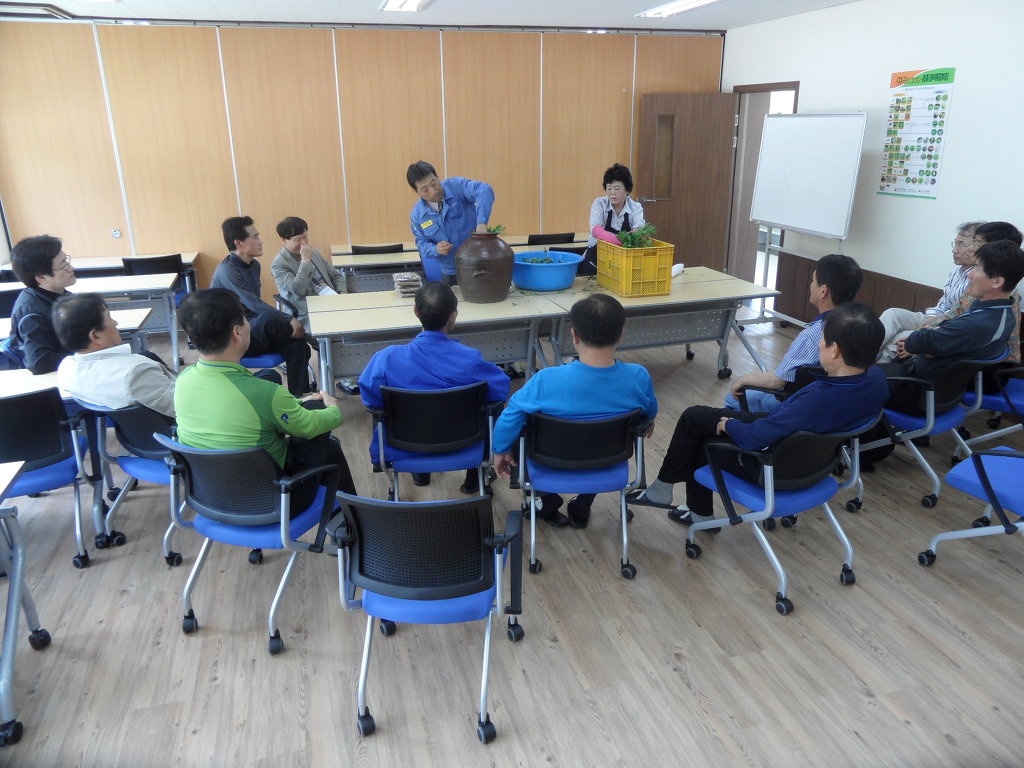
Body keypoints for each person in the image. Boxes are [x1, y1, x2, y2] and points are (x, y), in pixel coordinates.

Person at [627, 303, 888, 527]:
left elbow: (755, 438)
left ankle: (692, 509)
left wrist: (730, 426)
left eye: (823, 339)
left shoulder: (817, 399)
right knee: (694, 416)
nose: (819, 343)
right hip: (816, 461)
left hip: (774, 465)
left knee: (704, 441)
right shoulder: (876, 381)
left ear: (835, 351)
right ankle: (666, 490)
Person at [174, 289, 356, 513]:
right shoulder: (265, 393)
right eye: (246, 319)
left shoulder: (183, 380)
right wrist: (332, 407)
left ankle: (350, 521)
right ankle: (353, 522)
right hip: (271, 500)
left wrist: (296, 403)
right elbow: (309, 426)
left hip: (209, 496)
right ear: (237, 332)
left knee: (327, 446)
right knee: (318, 414)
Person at [492, 293, 657, 529]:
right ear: (621, 334)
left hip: (551, 459)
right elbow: (649, 412)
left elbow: (510, 416)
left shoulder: (546, 380)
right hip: (606, 460)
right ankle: (582, 505)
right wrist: (649, 420)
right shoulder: (638, 376)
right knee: (600, 437)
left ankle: (546, 498)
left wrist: (500, 450)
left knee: (519, 429)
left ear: (574, 335)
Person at [358, 281, 510, 493]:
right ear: (453, 316)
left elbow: (371, 399)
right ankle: (475, 478)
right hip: (464, 443)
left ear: (415, 312)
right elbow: (500, 391)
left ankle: (421, 472)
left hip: (403, 445)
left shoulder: (385, 359)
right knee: (493, 408)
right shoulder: (469, 359)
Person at [881, 239, 1024, 414]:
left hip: (916, 392)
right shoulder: (1004, 314)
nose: (970, 275)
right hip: (940, 392)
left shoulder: (978, 323)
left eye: (977, 268)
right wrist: (929, 344)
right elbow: (932, 341)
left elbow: (920, 341)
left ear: (996, 282)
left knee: (857, 379)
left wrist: (926, 343)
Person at [726, 252, 863, 413]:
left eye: (813, 281)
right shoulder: (862, 326)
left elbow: (776, 382)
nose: (811, 285)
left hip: (796, 404)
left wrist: (742, 379)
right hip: (836, 401)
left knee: (732, 398)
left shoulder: (813, 335)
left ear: (823, 291)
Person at [878, 221, 1022, 352]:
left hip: (948, 340)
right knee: (893, 315)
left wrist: (922, 338)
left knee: (898, 340)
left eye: (977, 243)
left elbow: (959, 330)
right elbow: (952, 314)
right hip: (943, 329)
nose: (971, 248)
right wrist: (929, 323)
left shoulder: (991, 294)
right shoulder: (975, 281)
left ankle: (869, 361)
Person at [212, 216, 313, 397]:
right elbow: (254, 304)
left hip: (254, 330)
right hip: (235, 338)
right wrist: (288, 319)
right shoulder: (228, 271)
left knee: (298, 346)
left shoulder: (254, 265)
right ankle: (313, 338)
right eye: (255, 237)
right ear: (239, 243)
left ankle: (299, 399)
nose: (261, 241)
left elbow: (254, 309)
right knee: (272, 321)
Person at [54, 293, 176, 417]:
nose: (116, 323)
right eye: (109, 318)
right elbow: (184, 407)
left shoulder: (66, 370)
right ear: (95, 336)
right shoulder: (135, 373)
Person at [407, 160, 494, 284]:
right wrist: (436, 249)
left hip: (479, 264)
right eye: (425, 189)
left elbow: (484, 190)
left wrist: (482, 223)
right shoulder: (417, 216)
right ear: (416, 191)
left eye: (434, 183)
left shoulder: (456, 187)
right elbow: (422, 245)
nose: (433, 191)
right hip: (450, 273)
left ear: (437, 177)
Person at [7, 235, 76, 374]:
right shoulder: (32, 315)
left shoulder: (58, 294)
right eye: (64, 266)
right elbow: (40, 363)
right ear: (41, 277)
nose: (71, 268)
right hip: (59, 376)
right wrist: (85, 356)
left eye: (67, 261)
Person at [270, 215, 347, 334]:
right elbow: (298, 289)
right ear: (284, 239)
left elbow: (335, 276)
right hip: (307, 312)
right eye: (298, 239)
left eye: (305, 237)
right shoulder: (279, 264)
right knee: (340, 329)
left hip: (332, 302)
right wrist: (305, 261)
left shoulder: (313, 251)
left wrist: (342, 295)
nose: (304, 243)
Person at [582, 163, 646, 277]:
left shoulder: (635, 207)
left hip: (622, 260)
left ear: (627, 190)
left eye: (617, 189)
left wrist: (637, 233)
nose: (612, 193)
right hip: (597, 258)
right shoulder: (600, 203)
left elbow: (638, 229)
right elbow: (596, 230)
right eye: (609, 188)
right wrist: (619, 240)